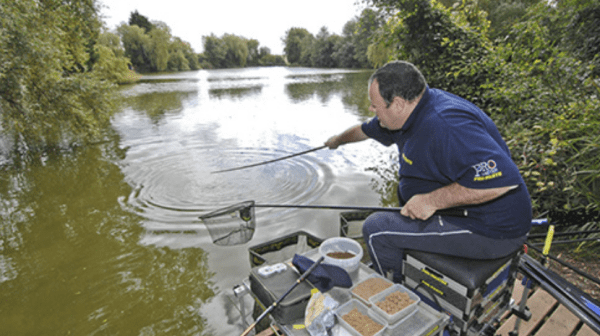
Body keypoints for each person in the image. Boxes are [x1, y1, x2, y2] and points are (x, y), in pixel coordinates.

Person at [325, 61, 532, 281]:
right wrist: (337, 141)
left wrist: (432, 201)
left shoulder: (446, 125)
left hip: (493, 229)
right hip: (462, 213)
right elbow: (363, 131)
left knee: (376, 229)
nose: (371, 110)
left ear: (397, 104)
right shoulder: (406, 113)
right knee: (395, 219)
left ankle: (394, 293)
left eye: (375, 105)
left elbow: (503, 179)